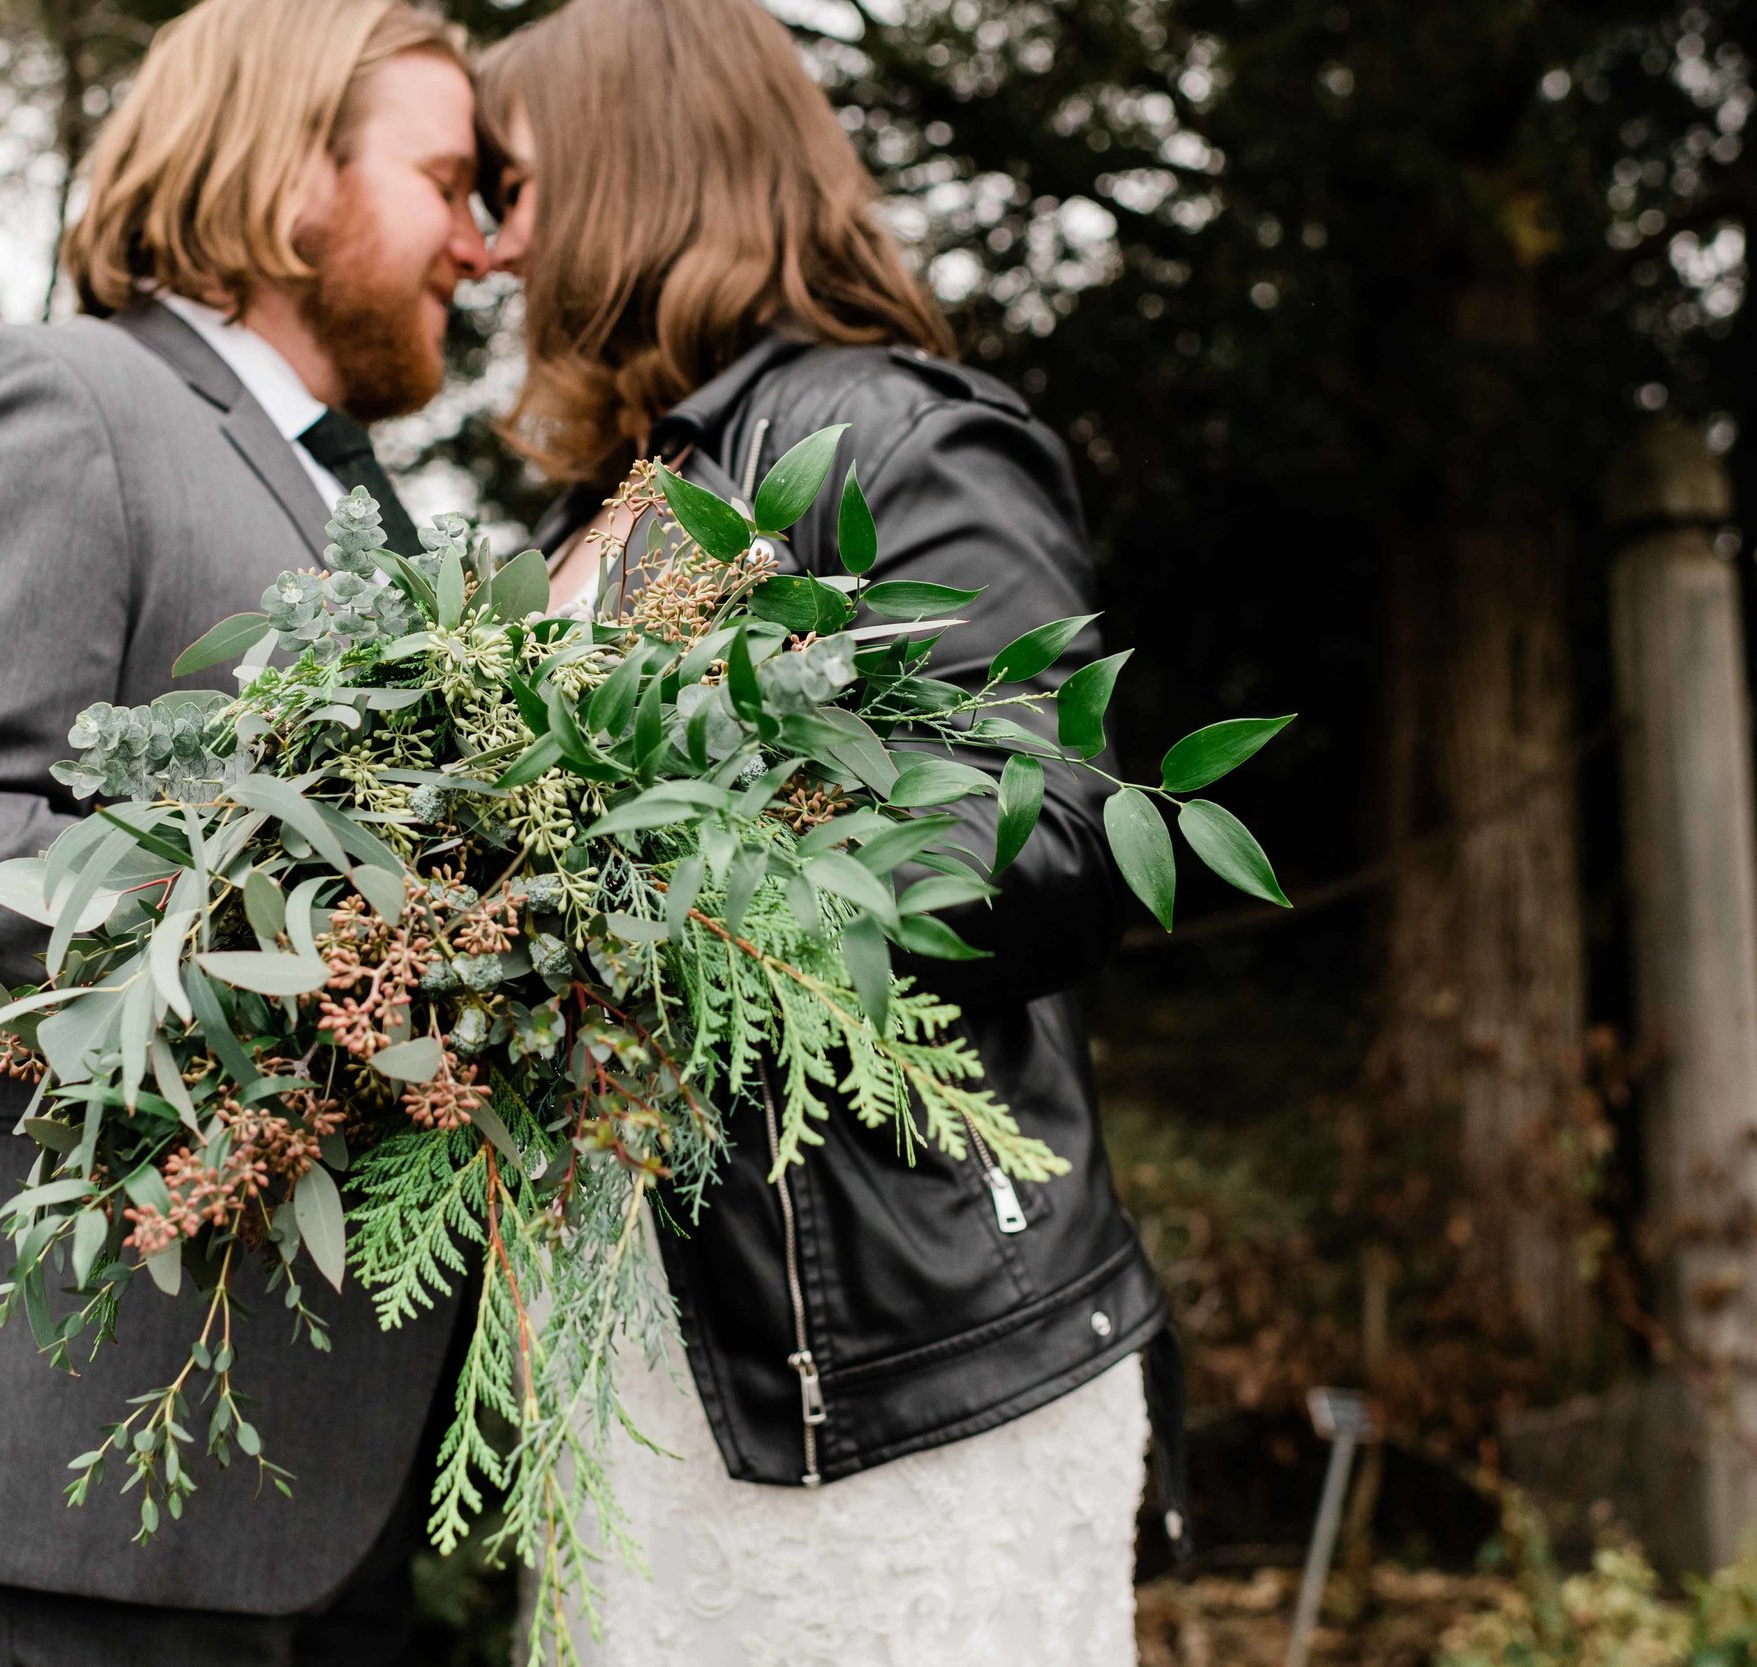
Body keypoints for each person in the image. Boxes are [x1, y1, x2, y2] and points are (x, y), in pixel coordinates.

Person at [0, 3, 490, 1662]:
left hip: (273, 1492)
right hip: (46, 1480)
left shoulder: (355, 510)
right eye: (447, 180)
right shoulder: (50, 401)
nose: (480, 247)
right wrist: (331, 932)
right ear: (293, 179)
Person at [477, 1, 1186, 1662]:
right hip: (659, 1367)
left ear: (620, 173)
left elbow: (1063, 833)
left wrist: (655, 889)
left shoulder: (895, 436)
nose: (491, 244)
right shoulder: (617, 505)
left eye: (511, 184)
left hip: (883, 1365)